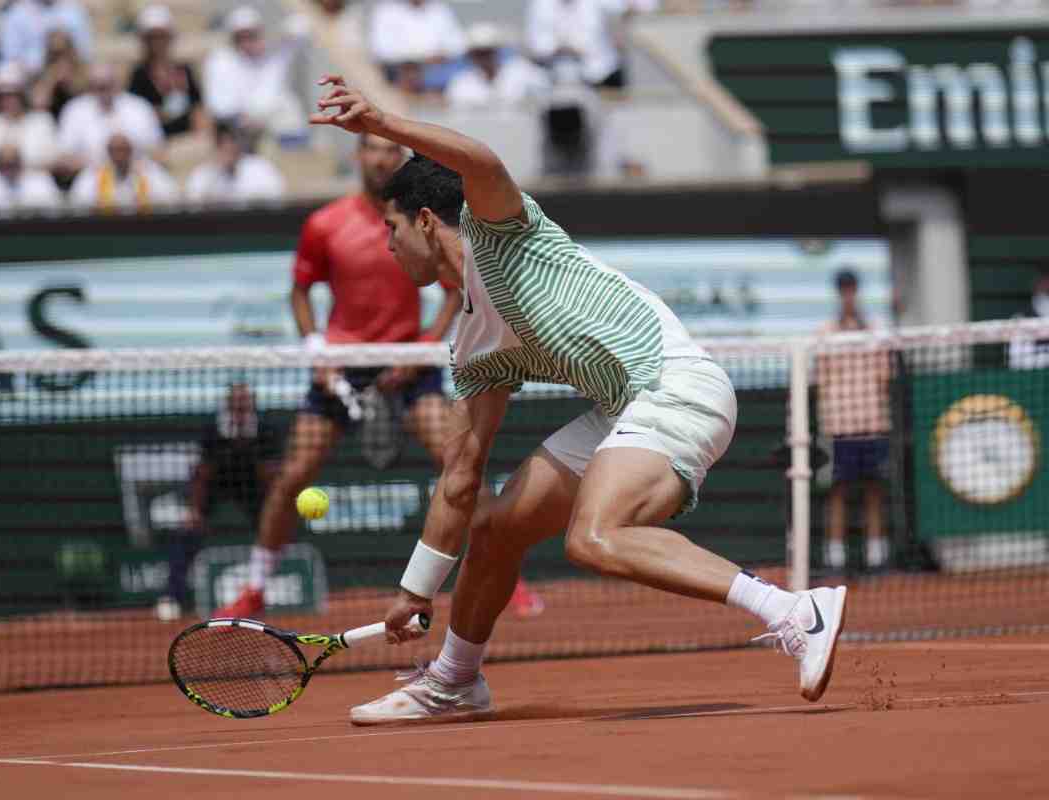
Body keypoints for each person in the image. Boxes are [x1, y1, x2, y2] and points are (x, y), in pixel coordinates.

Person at [301, 75, 848, 724]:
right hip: (621, 407)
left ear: (424, 220)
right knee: (495, 528)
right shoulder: (474, 344)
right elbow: (460, 479)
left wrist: (381, 123)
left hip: (673, 385)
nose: (387, 244)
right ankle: (452, 682)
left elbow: (482, 161)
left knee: (594, 537)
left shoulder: (497, 230)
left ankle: (793, 611)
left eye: (391, 227)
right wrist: (416, 590)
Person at [213, 132, 543, 620]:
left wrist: (422, 350)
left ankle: (502, 575)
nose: (382, 158)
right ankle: (256, 587)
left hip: (408, 362)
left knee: (462, 464)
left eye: (391, 150)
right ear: (359, 155)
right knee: (292, 476)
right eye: (373, 148)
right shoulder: (324, 224)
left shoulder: (421, 222)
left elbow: (454, 290)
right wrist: (317, 353)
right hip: (343, 365)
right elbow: (300, 292)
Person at [156, 383, 281, 622]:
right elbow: (202, 474)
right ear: (228, 404)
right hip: (217, 484)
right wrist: (194, 510)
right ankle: (171, 597)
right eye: (236, 401)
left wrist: (273, 510)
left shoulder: (265, 429)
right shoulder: (213, 430)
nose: (241, 406)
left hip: (252, 485)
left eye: (245, 401)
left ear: (252, 404)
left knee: (275, 529)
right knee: (187, 531)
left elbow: (271, 475)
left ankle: (264, 589)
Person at [815, 268, 891, 573]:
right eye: (843, 289)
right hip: (839, 428)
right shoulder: (825, 332)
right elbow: (821, 380)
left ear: (857, 291)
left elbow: (884, 375)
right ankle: (835, 558)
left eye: (852, 289)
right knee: (837, 491)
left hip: (873, 425)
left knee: (874, 490)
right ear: (838, 293)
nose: (848, 295)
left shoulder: (876, 331)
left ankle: (876, 556)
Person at [201, 6, 305, 141]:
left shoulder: (274, 54)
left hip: (279, 127)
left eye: (252, 35)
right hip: (240, 129)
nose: (247, 42)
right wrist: (245, 119)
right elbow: (219, 107)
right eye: (241, 37)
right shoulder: (221, 61)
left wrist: (273, 36)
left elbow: (301, 26)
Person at [56, 63, 164, 177]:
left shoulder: (139, 107)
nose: (103, 90)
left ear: (117, 83)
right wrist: (97, 165)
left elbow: (158, 150)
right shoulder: (75, 110)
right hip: (91, 175)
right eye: (98, 86)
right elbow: (64, 156)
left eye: (108, 84)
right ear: (89, 85)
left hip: (138, 173)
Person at [126, 5, 207, 140]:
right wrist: (164, 113)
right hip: (155, 137)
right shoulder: (139, 74)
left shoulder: (185, 69)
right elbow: (135, 111)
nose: (157, 42)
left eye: (162, 36)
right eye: (152, 37)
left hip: (187, 138)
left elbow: (197, 106)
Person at [0, 62, 58, 176]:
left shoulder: (42, 121)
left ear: (23, 96)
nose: (8, 100)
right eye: (3, 96)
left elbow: (54, 162)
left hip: (34, 177)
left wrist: (19, 158)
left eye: (13, 95)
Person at [67, 130, 178, 213]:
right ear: (108, 151)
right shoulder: (92, 173)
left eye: (123, 149)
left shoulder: (149, 171)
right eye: (114, 150)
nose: (119, 155)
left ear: (131, 150)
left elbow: (170, 198)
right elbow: (78, 202)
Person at [445, 23, 551, 110]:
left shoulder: (521, 70)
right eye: (478, 53)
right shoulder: (461, 83)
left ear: (496, 51)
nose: (484, 58)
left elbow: (546, 90)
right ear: (470, 56)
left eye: (488, 52)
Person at [369, 0, 465, 92]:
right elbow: (381, 50)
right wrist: (416, 60)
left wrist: (439, 56)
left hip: (438, 67)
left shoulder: (440, 9)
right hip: (400, 69)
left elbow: (457, 44)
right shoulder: (386, 10)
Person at [184, 122, 284, 208]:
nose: (228, 146)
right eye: (221, 142)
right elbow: (192, 204)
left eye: (232, 140)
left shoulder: (259, 167)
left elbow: (278, 196)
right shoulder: (203, 174)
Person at [0, 140, 62, 216]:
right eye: (5, 165)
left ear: (20, 163)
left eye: (13, 164)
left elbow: (55, 212)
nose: (10, 170)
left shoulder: (41, 181)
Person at [0, 0, 92, 74]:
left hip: (70, 73)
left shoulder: (73, 12)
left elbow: (85, 53)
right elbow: (10, 56)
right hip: (30, 75)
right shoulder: (17, 13)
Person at [1009, 269, 1049, 371]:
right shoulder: (1021, 317)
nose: (1045, 285)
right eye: (1043, 282)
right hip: (1030, 368)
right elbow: (1017, 361)